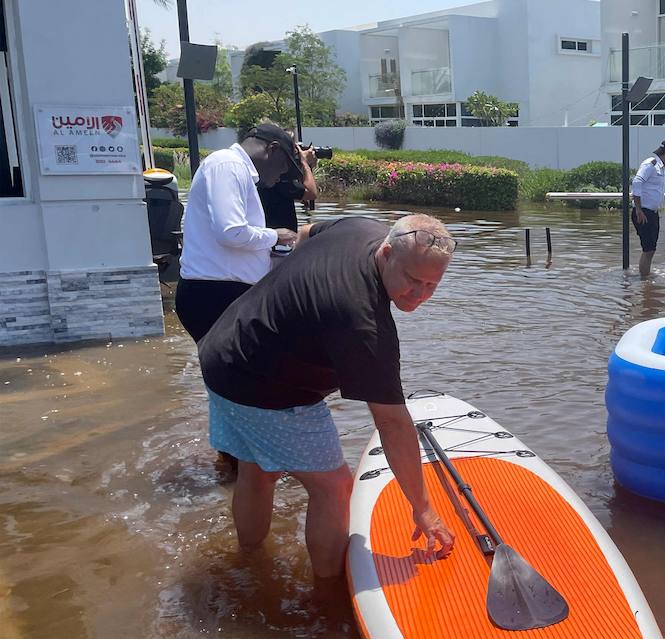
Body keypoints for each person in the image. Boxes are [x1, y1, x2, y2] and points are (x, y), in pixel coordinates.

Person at [196, 214, 458, 582]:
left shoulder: (360, 227)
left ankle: (248, 563)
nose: (420, 295)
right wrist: (423, 509)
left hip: (225, 347)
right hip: (263, 384)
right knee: (334, 488)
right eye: (413, 280)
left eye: (432, 285)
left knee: (258, 470)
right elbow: (392, 424)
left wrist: (300, 304)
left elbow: (304, 232)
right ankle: (327, 594)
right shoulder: (363, 324)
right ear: (386, 253)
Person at [175, 122, 303, 342]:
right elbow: (231, 232)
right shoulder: (227, 165)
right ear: (272, 149)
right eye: (284, 165)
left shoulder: (235, 169)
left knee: (242, 372)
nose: (283, 174)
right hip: (215, 294)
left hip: (224, 292)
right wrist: (276, 235)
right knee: (243, 371)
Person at [631, 139, 665, 279]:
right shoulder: (651, 164)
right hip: (643, 213)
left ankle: (645, 276)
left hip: (651, 213)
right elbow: (637, 181)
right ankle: (644, 280)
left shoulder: (661, 167)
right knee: (648, 249)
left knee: (651, 249)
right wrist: (638, 210)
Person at [258, 133, 318, 234]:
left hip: (269, 235)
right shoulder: (279, 176)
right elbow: (311, 193)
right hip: (279, 239)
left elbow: (301, 190)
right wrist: (305, 163)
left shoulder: (264, 169)